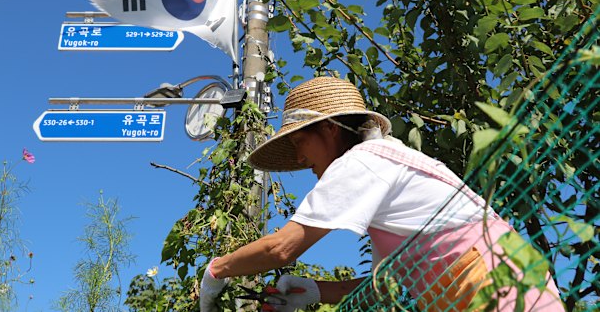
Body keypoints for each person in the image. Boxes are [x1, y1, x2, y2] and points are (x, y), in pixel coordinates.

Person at [199, 77, 564, 311]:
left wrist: (217, 271)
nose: (298, 158)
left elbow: (281, 248)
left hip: (493, 286)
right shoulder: (388, 169)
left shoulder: (363, 161)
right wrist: (314, 290)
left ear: (328, 130)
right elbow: (387, 288)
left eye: (299, 142)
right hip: (512, 280)